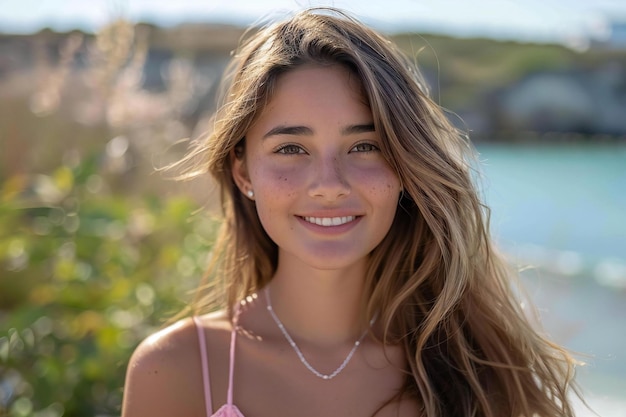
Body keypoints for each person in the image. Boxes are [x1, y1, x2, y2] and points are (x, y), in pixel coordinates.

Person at [121, 7, 583, 417]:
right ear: (243, 172)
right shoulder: (178, 368)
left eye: (364, 146)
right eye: (291, 148)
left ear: (404, 165)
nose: (329, 185)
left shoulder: (473, 370)